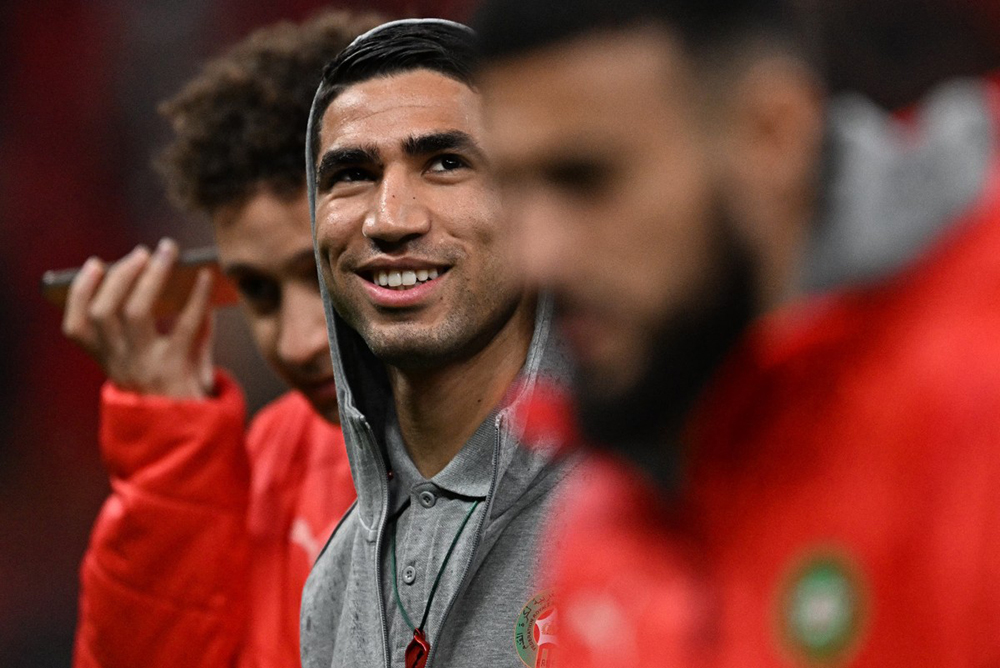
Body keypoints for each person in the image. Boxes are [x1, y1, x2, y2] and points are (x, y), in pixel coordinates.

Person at [474, 0, 1000, 665]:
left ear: (771, 135)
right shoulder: (611, 476)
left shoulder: (975, 425)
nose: (537, 257)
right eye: (512, 189)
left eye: (587, 181)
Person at [62, 10, 382, 668]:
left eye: (323, 274)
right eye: (258, 292)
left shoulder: (565, 448)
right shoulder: (269, 460)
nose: (297, 342)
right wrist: (168, 462)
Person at [299, 19, 572, 668]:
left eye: (446, 163)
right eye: (353, 173)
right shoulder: (331, 586)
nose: (390, 219)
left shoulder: (645, 515)